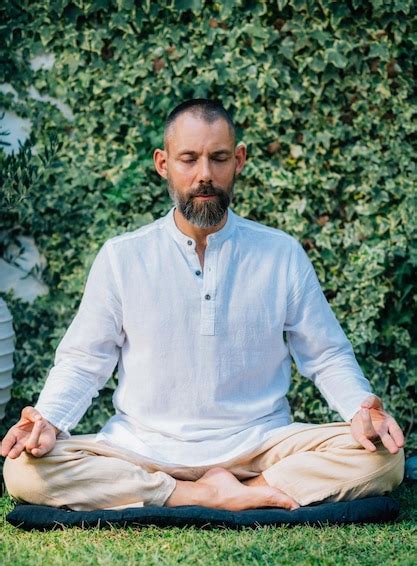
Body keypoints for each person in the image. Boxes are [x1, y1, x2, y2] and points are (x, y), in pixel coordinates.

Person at [1, 99, 405, 512]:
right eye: (189, 159)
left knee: (383, 458)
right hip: (143, 446)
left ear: (239, 160)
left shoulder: (280, 253)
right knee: (23, 469)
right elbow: (85, 360)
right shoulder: (122, 256)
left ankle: (230, 487)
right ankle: (211, 495)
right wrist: (48, 419)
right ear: (163, 164)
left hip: (259, 445)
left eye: (219, 158)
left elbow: (326, 354)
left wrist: (360, 408)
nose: (205, 176)